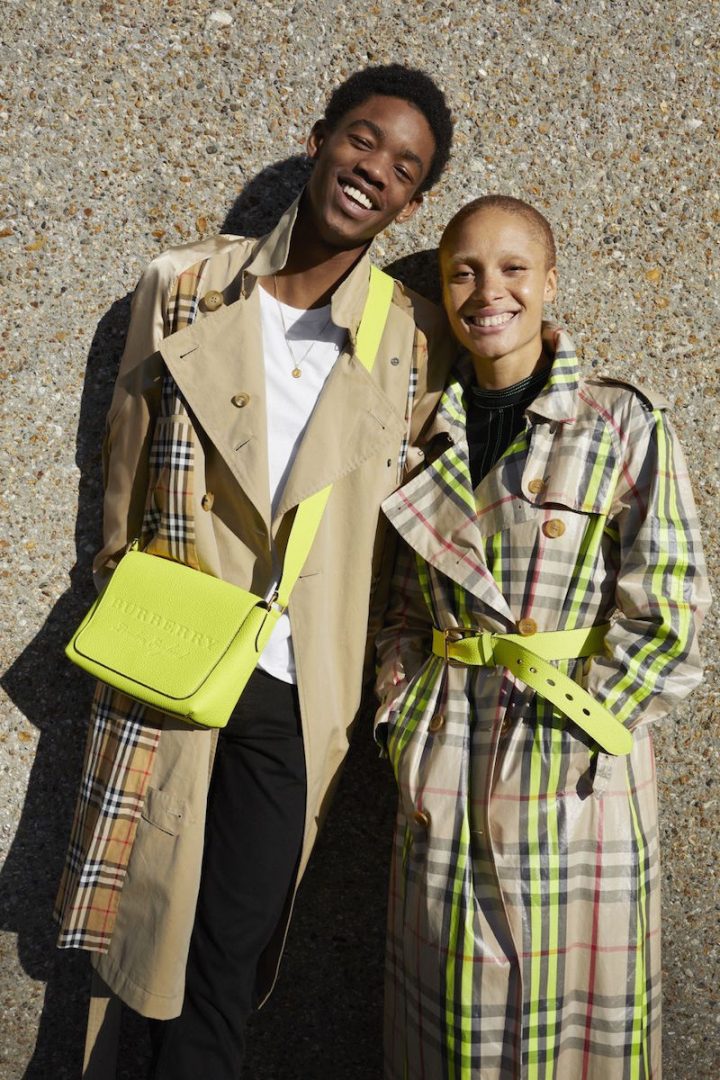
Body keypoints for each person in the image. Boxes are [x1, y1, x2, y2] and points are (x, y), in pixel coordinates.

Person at [54, 65, 454, 1079]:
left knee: (230, 951)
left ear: (414, 204)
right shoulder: (183, 287)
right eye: (363, 138)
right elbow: (123, 471)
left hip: (294, 686)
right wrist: (127, 596)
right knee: (141, 933)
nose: (377, 169)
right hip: (173, 653)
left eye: (406, 167)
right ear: (318, 139)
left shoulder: (409, 339)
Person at [375, 195, 711, 1079]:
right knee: (453, 1029)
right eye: (463, 272)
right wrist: (404, 720)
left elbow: (670, 612)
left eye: (513, 268)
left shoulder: (620, 421)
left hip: (577, 772)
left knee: (574, 1032)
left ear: (550, 282)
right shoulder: (421, 439)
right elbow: (405, 610)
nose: (489, 290)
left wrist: (581, 734)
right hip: (446, 764)